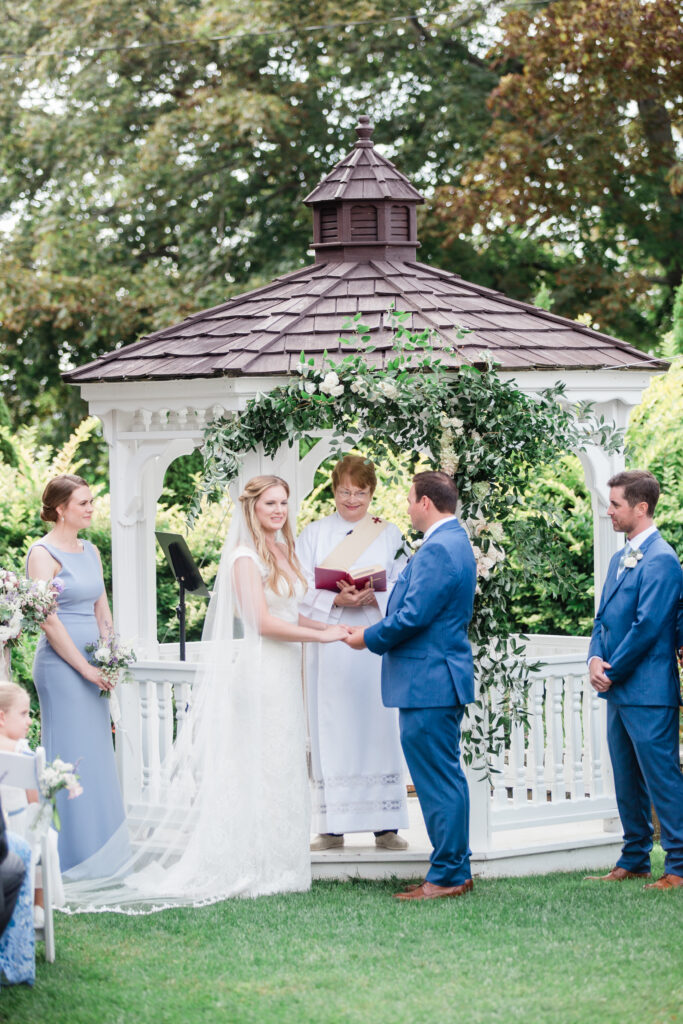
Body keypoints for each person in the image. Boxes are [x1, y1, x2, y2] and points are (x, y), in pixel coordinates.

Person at [64, 475, 349, 910]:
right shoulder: (243, 557)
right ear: (252, 508)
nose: (278, 510)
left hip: (287, 671)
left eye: (284, 503)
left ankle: (284, 863)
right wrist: (321, 639)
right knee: (257, 763)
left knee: (283, 758)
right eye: (270, 503)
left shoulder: (285, 549)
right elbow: (261, 623)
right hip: (260, 671)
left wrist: (330, 627)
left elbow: (291, 612)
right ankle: (250, 863)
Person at [345, 471, 477, 900]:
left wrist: (367, 637)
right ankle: (455, 867)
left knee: (438, 781)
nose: (405, 505)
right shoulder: (450, 541)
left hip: (430, 680)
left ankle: (447, 876)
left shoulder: (440, 548)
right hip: (434, 679)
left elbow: (414, 617)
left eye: (408, 498)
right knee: (445, 778)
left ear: (425, 503)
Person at [297, 455, 409, 851]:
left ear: (371, 492)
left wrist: (372, 593)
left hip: (373, 643)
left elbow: (403, 585)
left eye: (360, 492)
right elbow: (295, 590)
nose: (352, 500)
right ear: (334, 490)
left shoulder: (389, 533)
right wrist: (334, 595)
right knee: (332, 727)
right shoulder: (313, 534)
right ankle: (330, 827)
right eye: (345, 491)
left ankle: (386, 826)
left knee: (377, 727)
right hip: (331, 644)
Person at [26, 474, 130, 879]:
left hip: (94, 666)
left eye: (91, 501)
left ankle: (105, 855)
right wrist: (85, 668)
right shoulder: (43, 554)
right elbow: (48, 622)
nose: (90, 508)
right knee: (71, 757)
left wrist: (110, 656)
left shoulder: (91, 550)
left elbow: (102, 608)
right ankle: (68, 861)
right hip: (61, 669)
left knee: (99, 756)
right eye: (83, 503)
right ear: (60, 509)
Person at [586, 470, 683, 890]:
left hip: (648, 691)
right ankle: (635, 858)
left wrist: (611, 670)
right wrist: (593, 655)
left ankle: (678, 866)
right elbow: (604, 617)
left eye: (615, 505)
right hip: (618, 688)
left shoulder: (662, 559)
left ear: (640, 508)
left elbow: (648, 627)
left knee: (661, 777)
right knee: (626, 777)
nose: (609, 511)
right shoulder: (618, 556)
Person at [0, 682, 65, 923]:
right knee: (45, 836)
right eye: (24, 713)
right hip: (19, 835)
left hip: (1, 834)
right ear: (2, 718)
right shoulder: (24, 753)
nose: (29, 720)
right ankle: (39, 907)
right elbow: (34, 803)